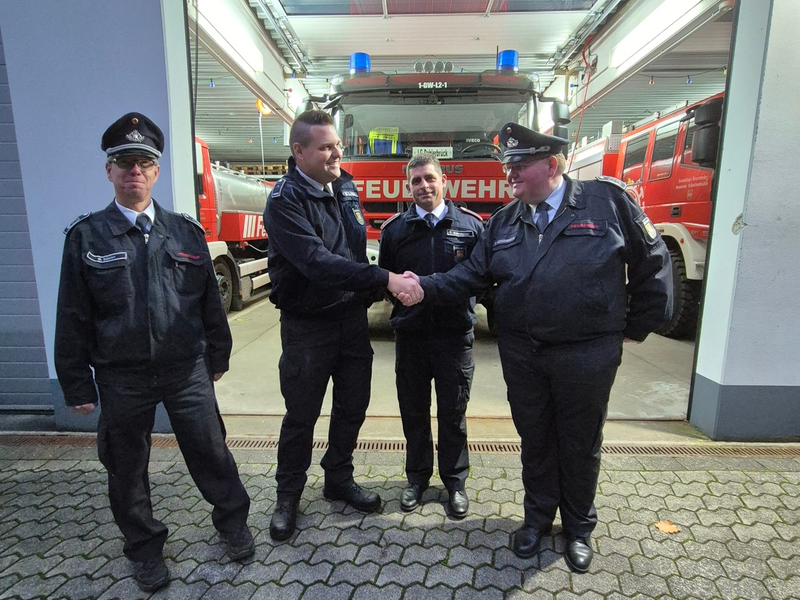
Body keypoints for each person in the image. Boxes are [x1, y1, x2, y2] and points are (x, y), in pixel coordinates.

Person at [398, 123, 672, 573]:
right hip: (524, 355)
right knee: (536, 438)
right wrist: (423, 287)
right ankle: (538, 518)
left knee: (580, 442)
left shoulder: (607, 202)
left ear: (552, 165)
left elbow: (653, 264)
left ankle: (579, 527)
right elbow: (470, 276)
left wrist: (631, 330)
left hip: (587, 354)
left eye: (519, 165)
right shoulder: (504, 222)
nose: (510, 174)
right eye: (507, 166)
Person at [54, 113, 253, 593]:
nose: (134, 171)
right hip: (122, 378)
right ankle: (143, 550)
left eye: (143, 162)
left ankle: (232, 523)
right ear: (109, 171)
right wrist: (76, 383)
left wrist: (217, 360)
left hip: (186, 372)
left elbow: (210, 303)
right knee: (126, 468)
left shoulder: (185, 233)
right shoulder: (86, 237)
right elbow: (73, 315)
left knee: (211, 452)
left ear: (157, 171)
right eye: (123, 163)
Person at [263, 110, 423, 542]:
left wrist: (374, 286)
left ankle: (338, 476)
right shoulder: (284, 201)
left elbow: (354, 249)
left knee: (352, 406)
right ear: (299, 152)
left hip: (350, 321)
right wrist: (385, 279)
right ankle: (288, 495)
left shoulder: (345, 184)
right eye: (326, 147)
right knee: (302, 414)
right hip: (308, 327)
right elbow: (317, 262)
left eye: (337, 144)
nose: (337, 152)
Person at [378, 153, 483, 518]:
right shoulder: (394, 231)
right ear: (408, 187)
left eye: (429, 178)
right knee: (414, 411)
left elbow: (481, 279)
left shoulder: (471, 227)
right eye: (416, 181)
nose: (423, 186)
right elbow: (386, 281)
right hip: (412, 338)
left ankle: (455, 481)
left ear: (443, 181)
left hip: (454, 337)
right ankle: (417, 479)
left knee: (453, 412)